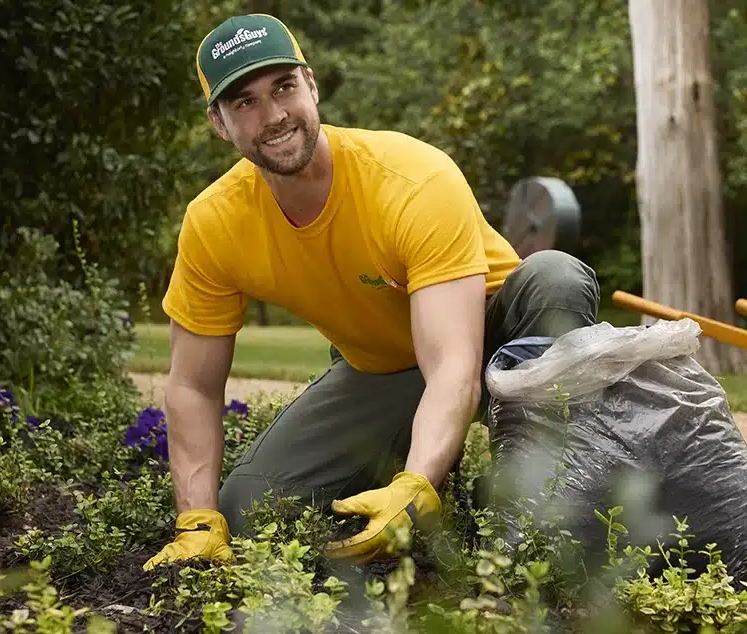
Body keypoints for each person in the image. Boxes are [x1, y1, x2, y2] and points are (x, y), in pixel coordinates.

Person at [143, 13, 601, 570]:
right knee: (249, 507)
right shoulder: (214, 224)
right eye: (245, 102)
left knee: (555, 275)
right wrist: (196, 519)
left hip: (499, 328)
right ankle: (395, 473)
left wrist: (419, 480)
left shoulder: (411, 178)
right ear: (219, 123)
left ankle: (540, 500)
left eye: (284, 87)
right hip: (387, 368)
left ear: (311, 85)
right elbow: (192, 385)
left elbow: (455, 362)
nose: (274, 115)